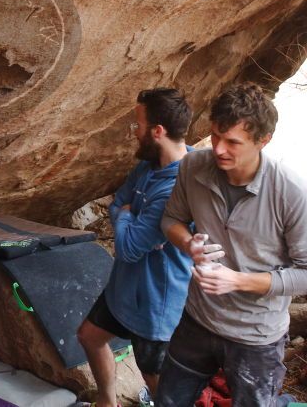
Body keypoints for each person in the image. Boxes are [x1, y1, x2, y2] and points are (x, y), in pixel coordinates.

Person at [156, 83, 307, 406]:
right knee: (169, 400)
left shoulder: (291, 193)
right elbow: (171, 220)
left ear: (263, 141)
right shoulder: (193, 166)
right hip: (197, 320)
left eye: (233, 142)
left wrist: (237, 280)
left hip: (256, 338)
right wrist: (188, 244)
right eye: (214, 136)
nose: (219, 149)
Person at [77, 88, 194, 407]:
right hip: (124, 288)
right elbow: (119, 200)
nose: (134, 132)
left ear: (158, 132)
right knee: (89, 336)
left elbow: (128, 247)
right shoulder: (148, 163)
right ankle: (106, 400)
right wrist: (124, 214)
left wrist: (124, 216)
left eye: (138, 126)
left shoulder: (180, 185)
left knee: (154, 376)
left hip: (156, 302)